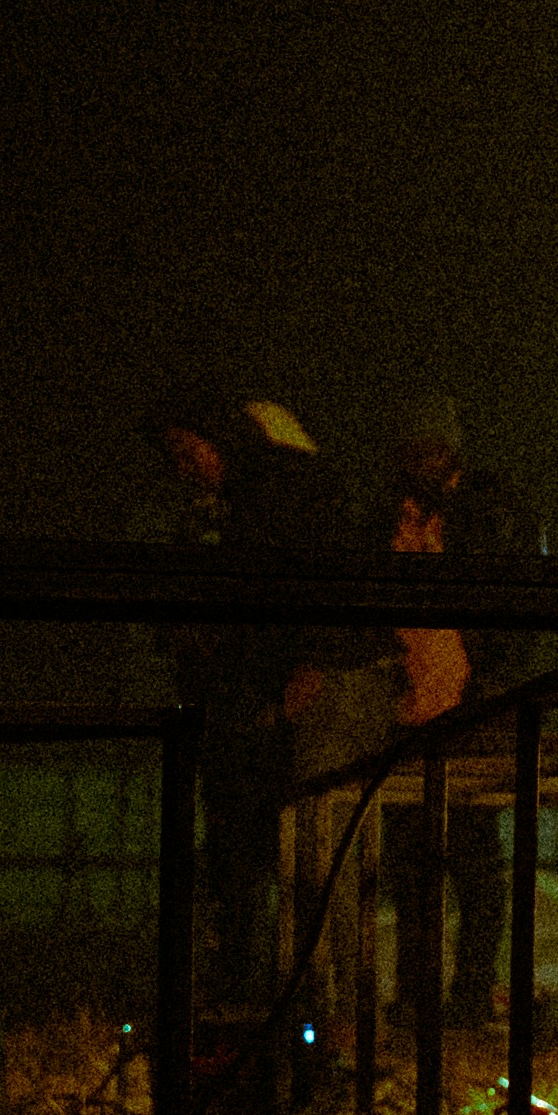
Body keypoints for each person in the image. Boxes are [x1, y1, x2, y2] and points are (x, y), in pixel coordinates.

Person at [146, 392, 399, 991]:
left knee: (313, 848)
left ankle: (323, 997)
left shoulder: (273, 498)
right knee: (296, 849)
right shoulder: (241, 505)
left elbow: (284, 598)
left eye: (190, 452)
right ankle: (304, 994)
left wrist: (300, 662)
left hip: (309, 687)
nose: (185, 468)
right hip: (276, 692)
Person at [381, 397, 543, 1027]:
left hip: (466, 701)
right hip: (415, 703)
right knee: (417, 866)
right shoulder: (407, 510)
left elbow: (511, 604)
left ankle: (466, 995)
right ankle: (427, 996)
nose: (416, 460)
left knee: (472, 862)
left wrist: (492, 679)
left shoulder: (481, 509)